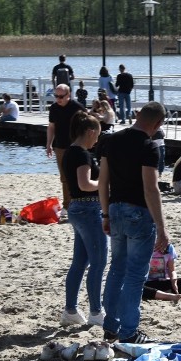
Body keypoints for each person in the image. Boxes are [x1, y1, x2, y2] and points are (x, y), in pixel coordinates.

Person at [98, 101, 170, 344]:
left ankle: (111, 326)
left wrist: (105, 213)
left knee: (116, 268)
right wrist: (161, 226)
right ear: (158, 123)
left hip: (115, 209)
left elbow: (103, 181)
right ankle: (129, 331)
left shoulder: (111, 140)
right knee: (136, 275)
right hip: (138, 212)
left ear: (138, 115)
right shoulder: (149, 146)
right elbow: (151, 189)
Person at [61, 111, 108, 327]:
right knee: (98, 262)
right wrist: (106, 183)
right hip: (89, 208)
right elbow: (85, 184)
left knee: (80, 262)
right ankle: (96, 312)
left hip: (77, 208)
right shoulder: (82, 154)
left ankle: (70, 309)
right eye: (97, 134)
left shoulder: (70, 152)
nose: (97, 140)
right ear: (90, 132)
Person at [46, 84, 86, 216]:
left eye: (61, 96)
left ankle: (80, 202)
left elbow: (87, 123)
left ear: (68, 95)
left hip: (76, 146)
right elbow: (51, 127)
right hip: (60, 146)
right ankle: (67, 205)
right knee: (64, 177)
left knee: (79, 175)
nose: (58, 99)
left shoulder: (77, 107)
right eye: (56, 96)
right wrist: (49, 144)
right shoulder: (53, 108)